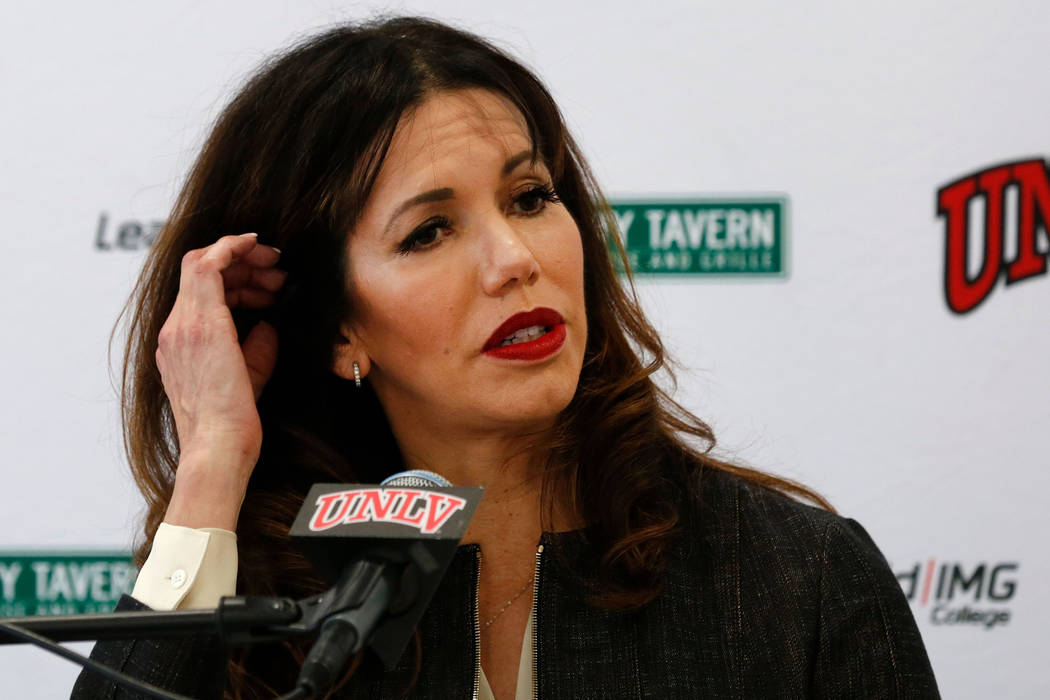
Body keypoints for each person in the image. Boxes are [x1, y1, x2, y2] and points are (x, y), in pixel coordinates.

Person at [72, 16, 939, 700]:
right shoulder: (274, 615)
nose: (515, 260)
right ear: (341, 328)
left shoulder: (796, 580)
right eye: (430, 231)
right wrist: (214, 465)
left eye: (530, 197)